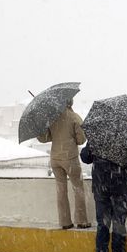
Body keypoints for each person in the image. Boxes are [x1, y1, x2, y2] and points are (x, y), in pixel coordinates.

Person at [37, 98, 90, 229]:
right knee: (78, 188)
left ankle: (65, 222)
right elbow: (81, 140)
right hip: (70, 157)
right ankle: (81, 221)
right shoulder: (74, 117)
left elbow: (44, 138)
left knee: (61, 190)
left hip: (55, 159)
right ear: (70, 103)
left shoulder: (52, 117)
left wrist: (42, 124)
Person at [80, 145, 127, 252]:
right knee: (119, 224)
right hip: (120, 188)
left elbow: (85, 157)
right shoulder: (124, 139)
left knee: (103, 225)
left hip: (101, 188)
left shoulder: (97, 137)